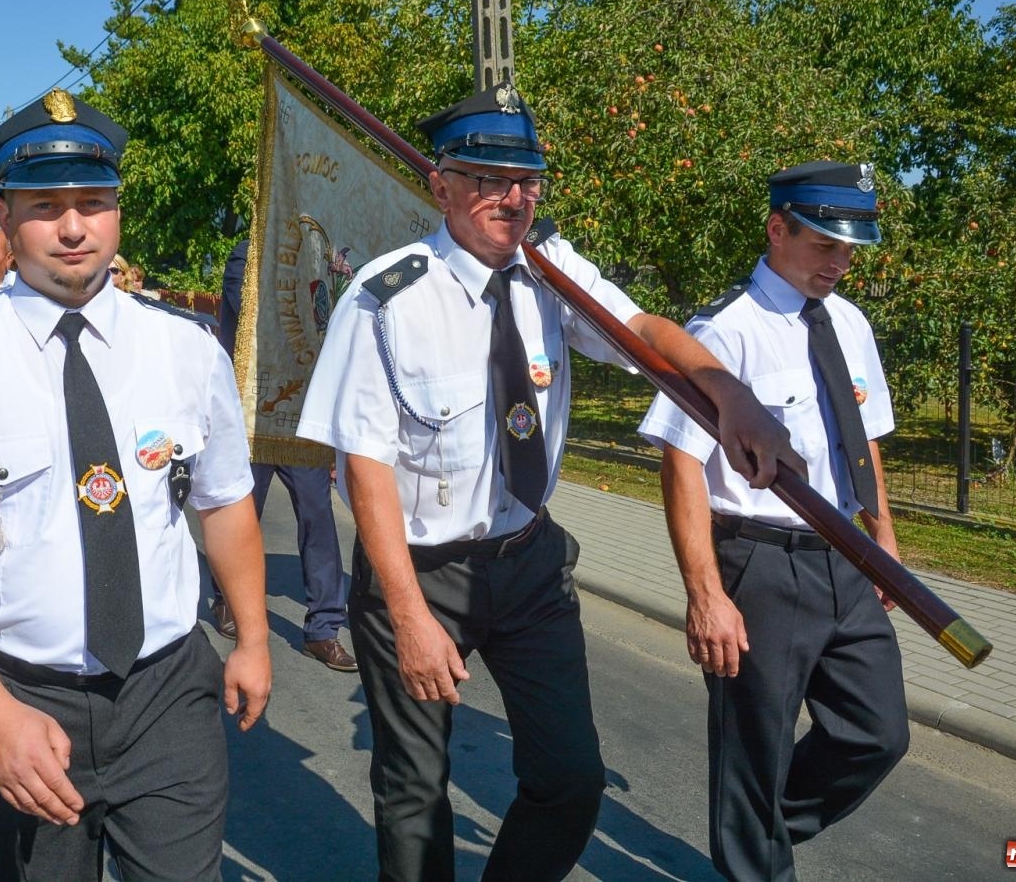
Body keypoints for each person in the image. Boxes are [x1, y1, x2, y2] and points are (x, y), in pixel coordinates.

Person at [297, 83, 796, 882]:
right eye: (491, 178)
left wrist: (726, 392)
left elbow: (639, 332)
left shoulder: (550, 274)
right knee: (415, 797)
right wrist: (410, 617)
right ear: (442, 184)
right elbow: (364, 470)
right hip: (419, 575)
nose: (515, 198)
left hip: (528, 562)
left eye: (529, 181)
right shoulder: (386, 300)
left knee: (571, 782)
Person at [0, 88, 271, 882]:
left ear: (115, 211)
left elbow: (223, 499)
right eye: (46, 206)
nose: (74, 228)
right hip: (17, 698)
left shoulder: (187, 347)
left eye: (93, 203)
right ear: (3, 219)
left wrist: (251, 638)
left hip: (168, 691)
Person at [638, 160, 909, 882]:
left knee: (877, 733)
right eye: (825, 245)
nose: (841, 262)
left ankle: (759, 833)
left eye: (850, 249)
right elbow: (681, 462)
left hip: (846, 560)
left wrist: (883, 535)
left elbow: (865, 436)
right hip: (760, 565)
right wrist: (705, 593)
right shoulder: (724, 333)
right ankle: (754, 849)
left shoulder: (849, 323)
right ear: (776, 229)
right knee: (754, 749)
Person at [210, 239, 356, 672]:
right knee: (239, 515)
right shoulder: (247, 254)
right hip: (252, 415)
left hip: (300, 417)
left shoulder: (321, 256)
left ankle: (323, 630)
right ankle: (228, 601)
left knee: (317, 516)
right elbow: (259, 321)